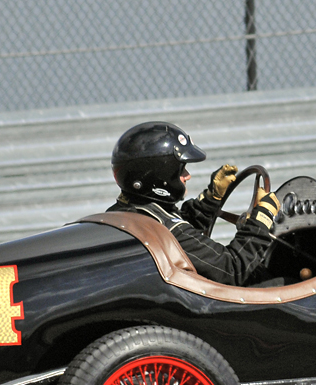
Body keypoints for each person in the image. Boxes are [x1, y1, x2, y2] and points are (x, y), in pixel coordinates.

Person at [107, 121, 281, 286]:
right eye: (181, 170)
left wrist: (211, 199)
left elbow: (186, 236)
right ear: (161, 176)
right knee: (286, 282)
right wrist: (262, 219)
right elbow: (232, 269)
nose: (187, 175)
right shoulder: (166, 230)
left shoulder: (124, 213)